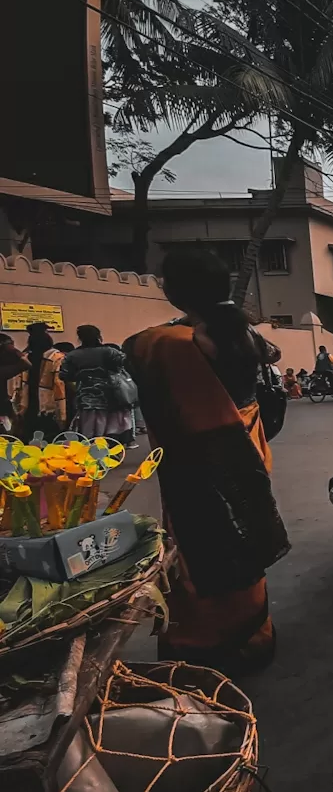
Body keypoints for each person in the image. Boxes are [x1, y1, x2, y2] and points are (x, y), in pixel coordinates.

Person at [124, 250, 289, 674]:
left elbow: (132, 352)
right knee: (244, 540)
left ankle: (205, 644)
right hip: (246, 453)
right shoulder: (243, 334)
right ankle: (254, 635)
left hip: (201, 464)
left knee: (204, 550)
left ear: (176, 290)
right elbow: (270, 358)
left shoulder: (166, 343)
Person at [60, 324, 135, 443]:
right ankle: (112, 452)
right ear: (98, 336)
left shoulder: (72, 356)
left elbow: (64, 375)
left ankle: (92, 454)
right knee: (113, 431)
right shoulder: (110, 352)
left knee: (90, 431)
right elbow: (128, 365)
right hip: (114, 396)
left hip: (87, 399)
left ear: (80, 338)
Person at [12, 323, 66, 441]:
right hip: (48, 406)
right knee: (49, 439)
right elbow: (59, 384)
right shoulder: (56, 357)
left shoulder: (25, 357)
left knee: (29, 437)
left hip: (28, 402)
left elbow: (18, 384)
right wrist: (62, 412)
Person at [0, 334, 28, 433]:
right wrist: (12, 349)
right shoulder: (3, 370)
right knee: (9, 436)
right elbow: (26, 363)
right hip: (2, 410)